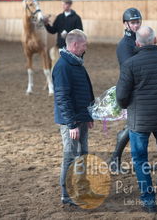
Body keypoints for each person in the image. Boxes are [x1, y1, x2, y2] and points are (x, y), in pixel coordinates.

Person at [116, 26, 157, 213]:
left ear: (137, 43)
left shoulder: (130, 64)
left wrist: (130, 102)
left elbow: (121, 97)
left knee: (140, 158)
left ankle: (149, 200)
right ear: (155, 39)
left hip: (139, 120)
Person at [52, 29, 103, 207]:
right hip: (71, 123)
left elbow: (85, 91)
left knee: (82, 155)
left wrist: (88, 115)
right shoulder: (62, 67)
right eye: (84, 44)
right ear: (74, 45)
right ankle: (66, 194)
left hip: (80, 118)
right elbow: (62, 98)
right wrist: (72, 123)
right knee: (70, 156)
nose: (86, 47)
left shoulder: (76, 63)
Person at [109, 8, 143, 172]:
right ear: (126, 24)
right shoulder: (124, 45)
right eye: (133, 22)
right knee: (133, 126)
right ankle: (114, 159)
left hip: (141, 88)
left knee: (137, 126)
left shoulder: (140, 39)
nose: (136, 25)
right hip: (132, 90)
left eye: (138, 22)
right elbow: (129, 68)